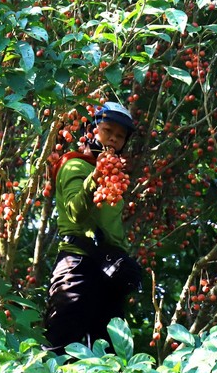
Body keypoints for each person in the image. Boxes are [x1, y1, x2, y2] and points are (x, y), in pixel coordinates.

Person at [44, 101, 143, 354]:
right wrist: (96, 177)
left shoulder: (113, 175)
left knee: (110, 354)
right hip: (77, 265)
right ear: (91, 131)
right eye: (108, 130)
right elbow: (75, 214)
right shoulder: (74, 165)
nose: (113, 139)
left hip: (108, 272)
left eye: (120, 136)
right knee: (64, 348)